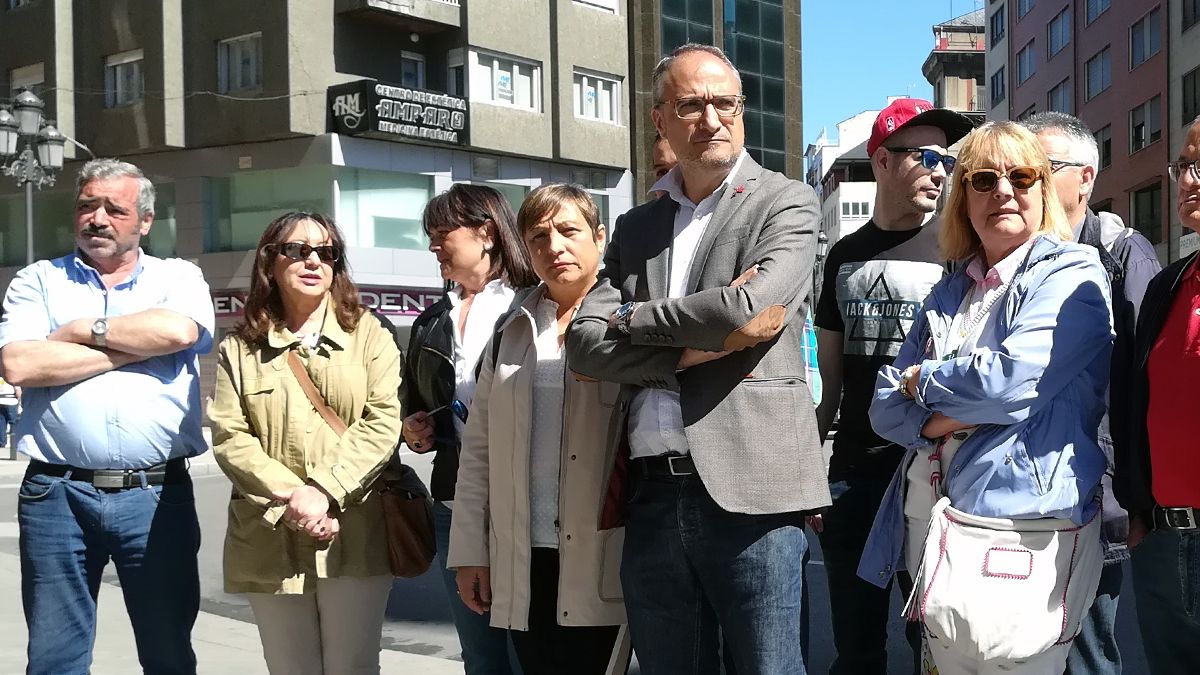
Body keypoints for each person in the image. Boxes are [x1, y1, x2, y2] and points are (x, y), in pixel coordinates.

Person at [566, 43, 829, 675]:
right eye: (691, 104)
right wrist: (679, 355)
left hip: (755, 492)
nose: (710, 118)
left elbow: (749, 312)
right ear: (660, 120)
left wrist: (633, 321)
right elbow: (582, 342)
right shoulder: (636, 226)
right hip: (652, 491)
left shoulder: (786, 202)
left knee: (770, 668)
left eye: (725, 103)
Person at [860, 121, 1112, 674]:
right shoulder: (952, 289)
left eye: (1021, 176)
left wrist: (922, 382)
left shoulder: (1074, 272)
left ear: (1043, 190)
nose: (1003, 190)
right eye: (983, 179)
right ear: (962, 199)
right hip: (934, 522)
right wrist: (938, 422)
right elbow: (882, 407)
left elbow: (1009, 383)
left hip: (1022, 527)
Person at [0, 158, 214, 675]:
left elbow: (179, 334)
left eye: (114, 209)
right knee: (54, 660)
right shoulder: (38, 280)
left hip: (157, 495)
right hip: (56, 495)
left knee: (167, 655)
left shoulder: (177, 276)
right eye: (87, 206)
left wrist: (79, 330)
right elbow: (19, 363)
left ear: (143, 221)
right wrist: (129, 346)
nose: (97, 218)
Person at [813, 97, 973, 675]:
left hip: (934, 468)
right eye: (923, 156)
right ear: (881, 161)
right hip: (855, 472)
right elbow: (831, 380)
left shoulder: (960, 255)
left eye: (945, 159)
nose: (938, 170)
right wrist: (815, 473)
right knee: (855, 641)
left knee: (930, 640)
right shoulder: (842, 258)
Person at [206, 212, 401, 674]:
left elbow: (382, 422)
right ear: (270, 262)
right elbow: (230, 436)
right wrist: (296, 498)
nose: (313, 260)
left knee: (352, 666)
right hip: (270, 536)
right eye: (297, 249)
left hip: (355, 531)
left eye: (326, 252)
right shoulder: (239, 347)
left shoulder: (370, 334)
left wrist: (324, 492)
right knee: (290, 668)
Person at [448, 184, 631, 675]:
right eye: (538, 237)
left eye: (568, 231)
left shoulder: (629, 317)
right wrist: (469, 551)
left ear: (599, 236)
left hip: (601, 555)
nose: (554, 247)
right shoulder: (513, 328)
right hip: (523, 554)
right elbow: (478, 451)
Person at [1019, 111, 1161, 675]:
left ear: (1085, 178)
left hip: (1095, 492)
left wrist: (1135, 497)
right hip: (1023, 491)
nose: (1023, 182)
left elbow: (1141, 385)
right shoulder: (1008, 257)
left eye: (1040, 168)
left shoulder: (1124, 254)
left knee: (1085, 646)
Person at [400, 183, 538, 674]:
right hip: (454, 501)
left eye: (442, 234)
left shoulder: (533, 304)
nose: (433, 245)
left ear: (485, 232)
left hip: (526, 502)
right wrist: (414, 430)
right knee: (480, 655)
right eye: (430, 236)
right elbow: (416, 406)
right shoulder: (432, 321)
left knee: (530, 650)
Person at [1117, 116, 1200, 675]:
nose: (1189, 180)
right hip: (1167, 540)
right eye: (1184, 167)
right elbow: (1131, 403)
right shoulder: (1167, 285)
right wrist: (1138, 508)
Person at [0, 376, 19, 448]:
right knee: (13, 423)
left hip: (0, 401)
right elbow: (17, 391)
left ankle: (2, 443)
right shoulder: (12, 377)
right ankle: (14, 443)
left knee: (1, 423)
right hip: (11, 401)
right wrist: (20, 401)